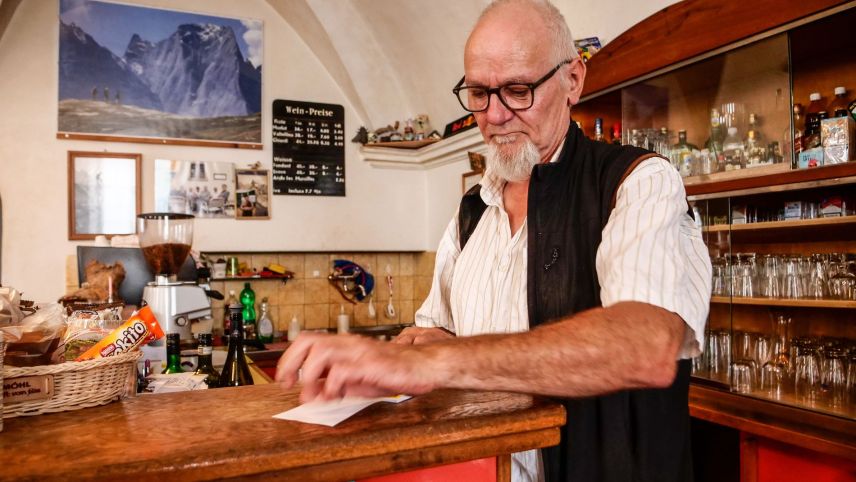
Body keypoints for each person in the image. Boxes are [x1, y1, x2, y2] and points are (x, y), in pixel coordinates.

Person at [276, 1, 711, 481]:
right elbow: (437, 338)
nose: (496, 115)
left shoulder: (636, 181)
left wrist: (435, 361)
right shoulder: (471, 213)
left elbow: (644, 346)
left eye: (518, 90)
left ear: (573, 80)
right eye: (479, 93)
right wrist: (413, 351)